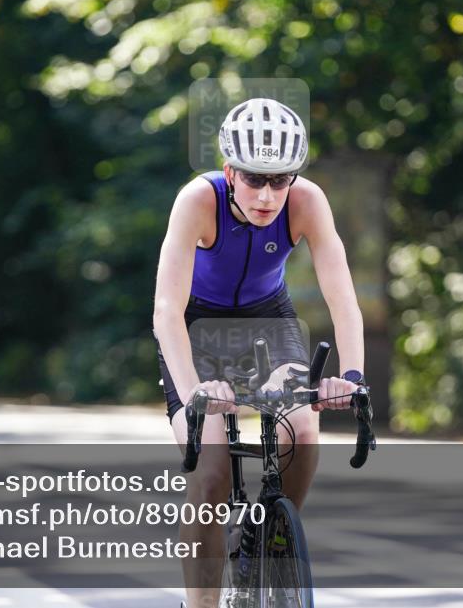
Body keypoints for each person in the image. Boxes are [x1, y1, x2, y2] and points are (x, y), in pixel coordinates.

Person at [153, 98, 366, 608]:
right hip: (195, 327)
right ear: (229, 170)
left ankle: (275, 535)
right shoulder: (197, 200)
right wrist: (192, 396)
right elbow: (166, 310)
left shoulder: (307, 201)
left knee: (304, 426)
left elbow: (343, 297)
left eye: (280, 179)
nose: (268, 195)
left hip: (267, 320)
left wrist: (352, 376)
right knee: (211, 473)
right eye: (253, 178)